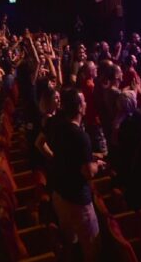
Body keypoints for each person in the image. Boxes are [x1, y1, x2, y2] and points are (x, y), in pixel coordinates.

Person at [48, 88, 103, 262]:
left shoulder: (56, 126)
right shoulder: (81, 137)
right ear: (79, 107)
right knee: (92, 248)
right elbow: (88, 172)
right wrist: (97, 165)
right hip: (78, 201)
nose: (86, 104)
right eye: (84, 101)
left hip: (59, 194)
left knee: (70, 244)